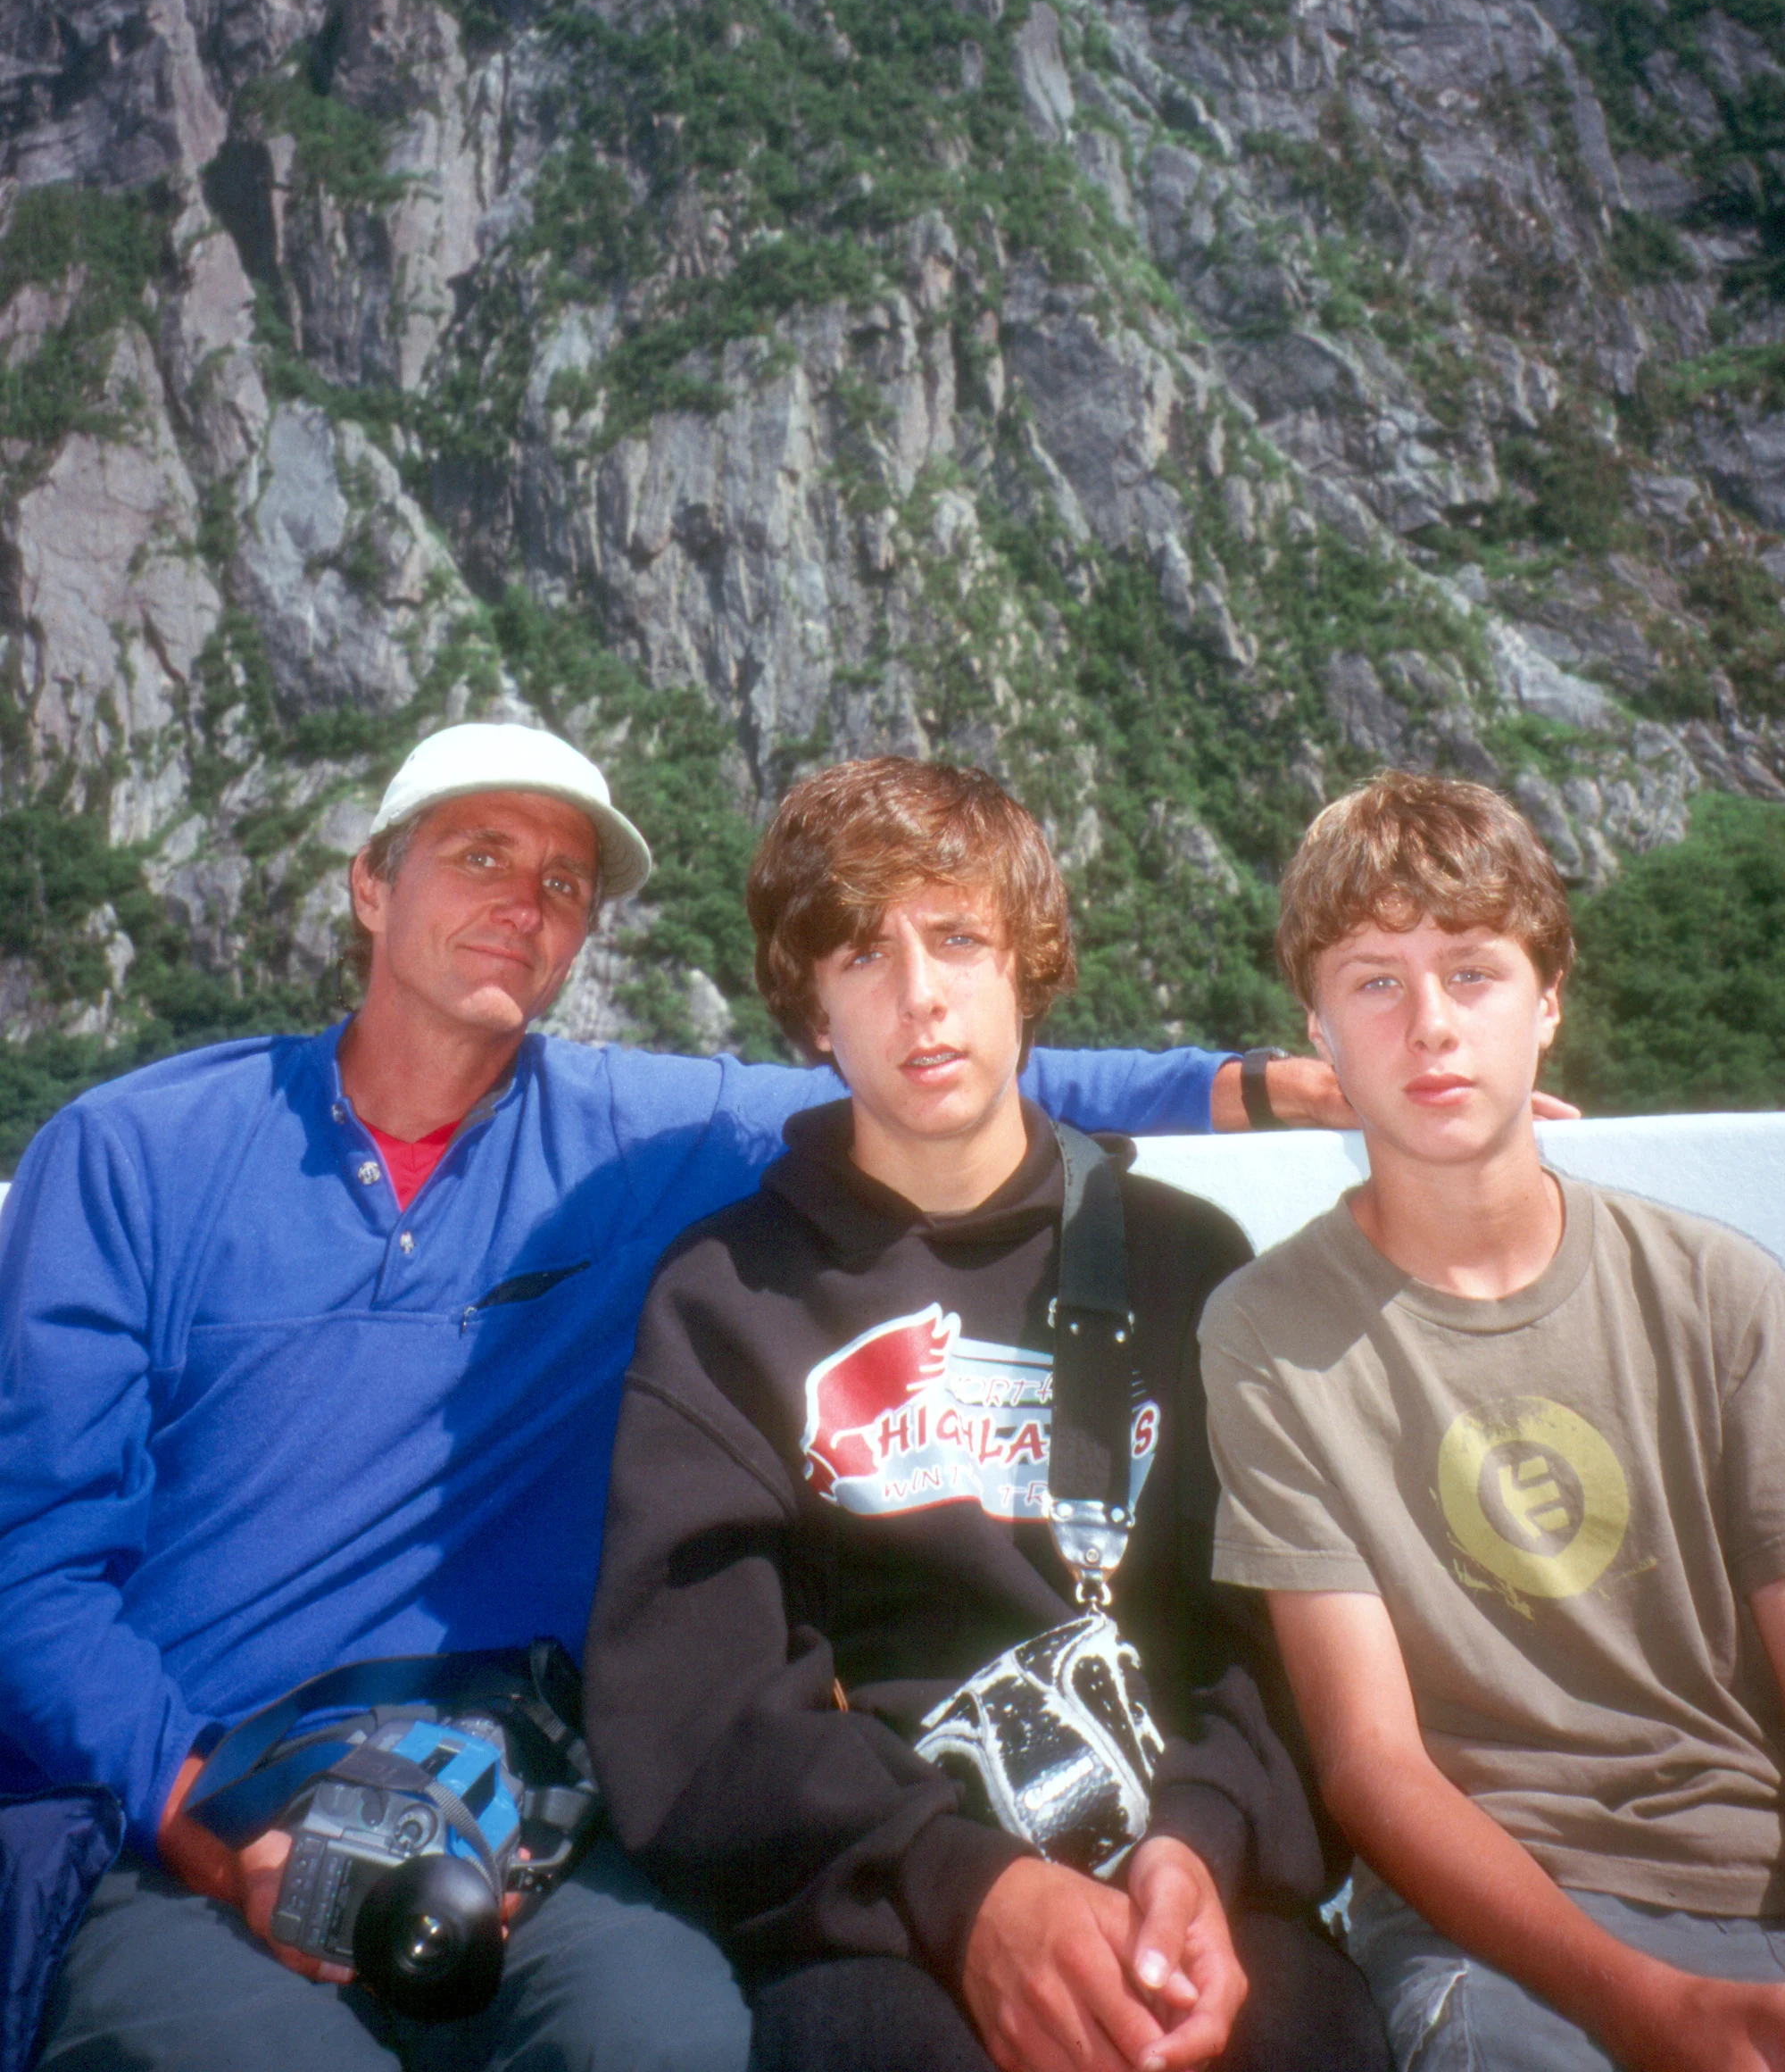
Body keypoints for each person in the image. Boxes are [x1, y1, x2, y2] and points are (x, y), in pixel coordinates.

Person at [0, 722, 1358, 2072]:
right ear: (371, 882)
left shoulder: (630, 1135)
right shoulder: (132, 1157)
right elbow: (28, 1562)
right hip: (210, 1794)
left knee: (674, 2045)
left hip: (527, 1800)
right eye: (479, 856)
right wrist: (204, 1815)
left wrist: (1241, 1086)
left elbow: (945, 1066)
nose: (522, 904)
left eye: (563, 883)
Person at [585, 754, 1390, 2072]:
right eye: (862, 953)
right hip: (883, 1903)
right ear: (812, 1009)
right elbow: (697, 1707)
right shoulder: (726, 1298)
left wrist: (1202, 1841)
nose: (920, 995)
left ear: (1027, 968)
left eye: (958, 939)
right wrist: (964, 1889)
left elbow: (1273, 1634)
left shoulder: (1184, 1261)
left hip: (1189, 1875)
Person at [1199, 771, 1785, 2072]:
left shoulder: (1722, 1295)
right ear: (1319, 1030)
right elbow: (1371, 1762)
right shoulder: (1269, 1333)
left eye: (1473, 973)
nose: (1431, 1027)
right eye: (1376, 983)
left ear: (1549, 1002)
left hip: (1758, 1879)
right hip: (1491, 1924)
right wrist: (1643, 2004)